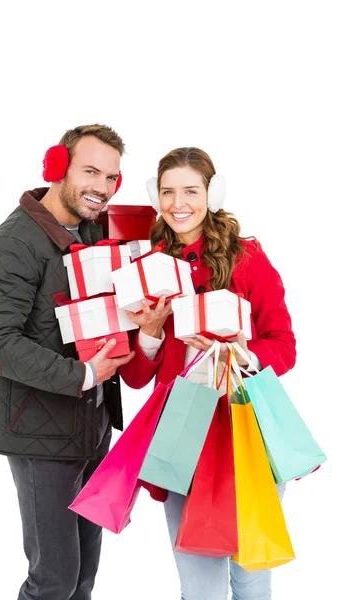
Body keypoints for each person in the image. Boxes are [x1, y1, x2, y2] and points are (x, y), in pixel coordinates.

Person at [120, 146, 296, 600]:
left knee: (252, 576)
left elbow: (284, 346)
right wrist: (152, 335)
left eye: (190, 191)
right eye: (167, 192)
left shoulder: (247, 258)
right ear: (155, 197)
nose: (178, 203)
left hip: (244, 431)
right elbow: (137, 378)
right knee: (200, 589)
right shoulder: (145, 268)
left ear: (212, 193)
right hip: (182, 436)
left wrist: (241, 352)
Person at [0, 124, 135, 600]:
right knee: (54, 581)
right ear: (56, 168)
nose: (102, 188)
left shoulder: (91, 230)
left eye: (111, 177)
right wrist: (84, 374)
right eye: (90, 172)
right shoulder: (12, 245)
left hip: (91, 425)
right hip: (41, 436)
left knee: (82, 576)